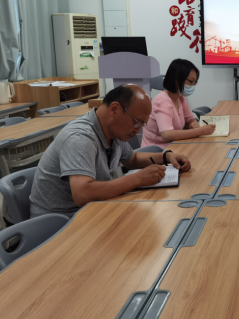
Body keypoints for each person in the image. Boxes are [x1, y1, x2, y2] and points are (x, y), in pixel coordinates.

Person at [29, 84, 192, 218]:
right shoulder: (80, 138)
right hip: (60, 223)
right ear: (114, 109)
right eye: (137, 123)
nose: (138, 131)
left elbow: (133, 159)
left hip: (91, 211)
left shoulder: (113, 132)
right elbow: (82, 194)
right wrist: (138, 178)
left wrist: (167, 156)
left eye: (142, 125)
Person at [141, 59, 215, 148]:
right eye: (191, 81)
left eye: (194, 82)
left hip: (174, 147)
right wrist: (200, 131)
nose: (192, 85)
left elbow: (190, 119)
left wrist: (192, 123)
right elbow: (167, 135)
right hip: (157, 151)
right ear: (177, 79)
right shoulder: (162, 101)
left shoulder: (180, 98)